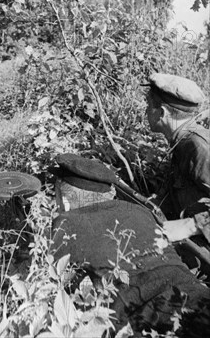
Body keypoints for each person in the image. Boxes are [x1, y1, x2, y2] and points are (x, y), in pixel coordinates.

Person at [51, 154, 210, 337]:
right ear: (110, 194)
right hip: (195, 296)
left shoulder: (64, 224)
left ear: (65, 202)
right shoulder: (140, 211)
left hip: (144, 317)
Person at [144, 73, 210, 246]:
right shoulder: (181, 141)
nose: (145, 111)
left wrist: (192, 225)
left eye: (148, 105)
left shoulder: (197, 146)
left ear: (162, 112)